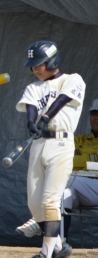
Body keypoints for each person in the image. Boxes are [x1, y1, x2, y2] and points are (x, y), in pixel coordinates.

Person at [15, 40, 84, 258]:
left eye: (40, 64)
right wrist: (31, 123)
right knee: (35, 204)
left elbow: (63, 99)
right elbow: (31, 107)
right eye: (33, 65)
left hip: (61, 143)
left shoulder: (73, 79)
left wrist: (46, 118)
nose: (36, 69)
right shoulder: (33, 87)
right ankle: (58, 246)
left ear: (53, 61)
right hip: (38, 144)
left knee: (50, 200)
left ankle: (46, 255)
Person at [16, 98, 98, 239]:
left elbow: (67, 160)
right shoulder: (79, 139)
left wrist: (76, 158)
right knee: (63, 194)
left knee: (62, 179)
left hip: (93, 185)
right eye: (93, 113)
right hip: (78, 186)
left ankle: (39, 219)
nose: (96, 117)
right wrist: (90, 158)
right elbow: (63, 158)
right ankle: (58, 243)